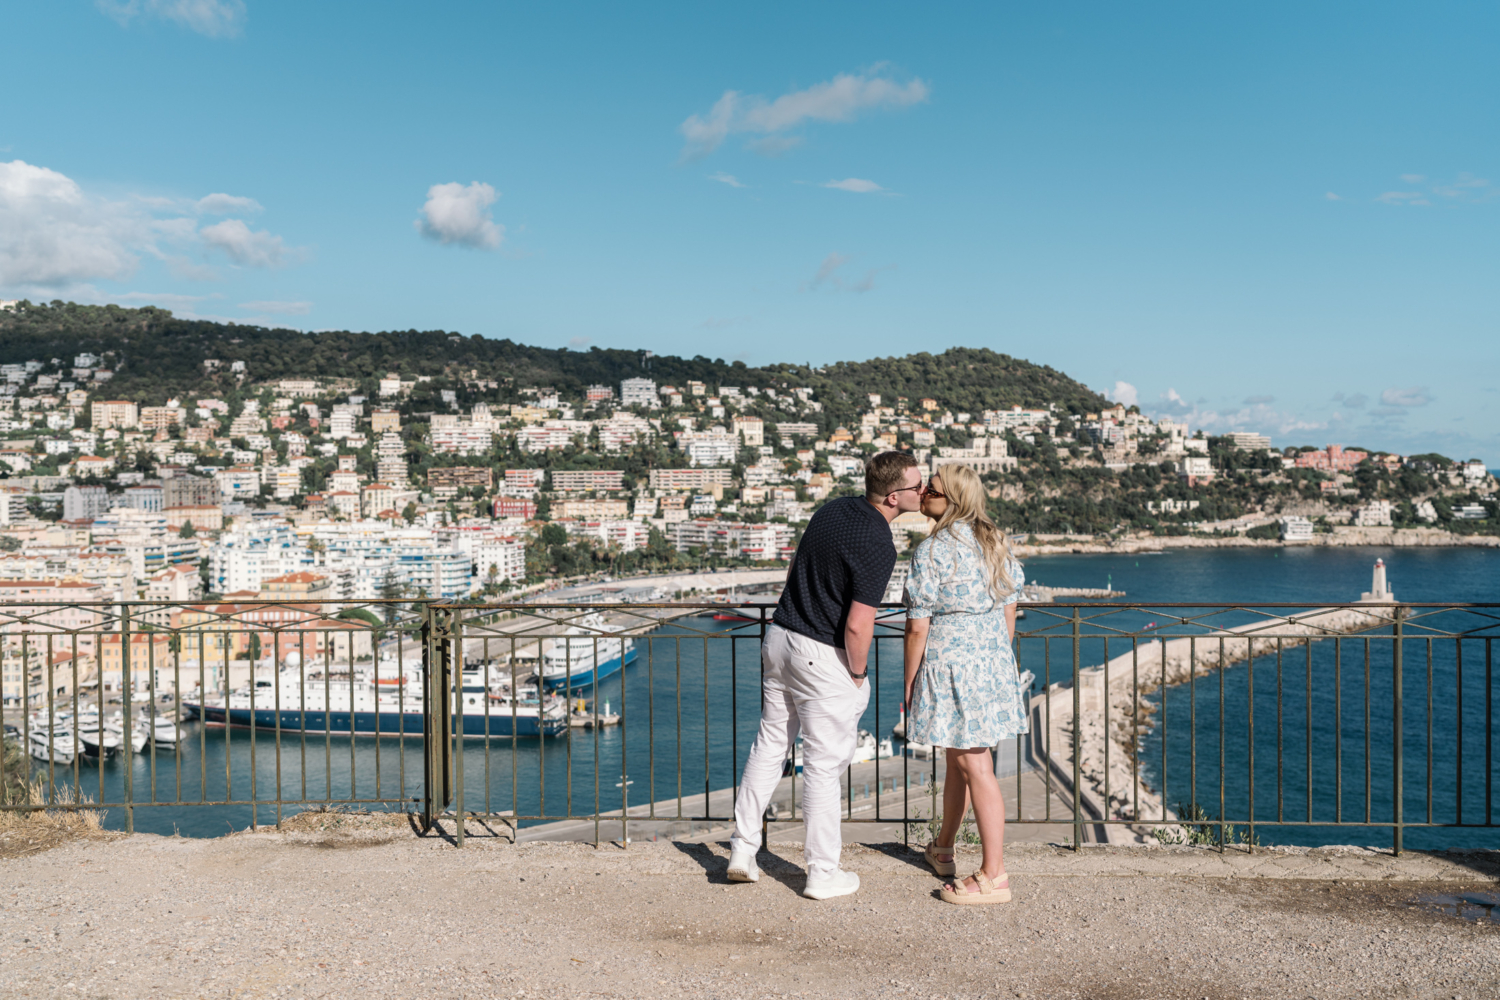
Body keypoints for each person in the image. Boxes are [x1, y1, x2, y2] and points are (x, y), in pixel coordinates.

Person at [726, 451, 924, 900]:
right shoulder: (879, 541)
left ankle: (742, 849)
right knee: (822, 766)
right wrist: (857, 674)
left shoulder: (831, 509)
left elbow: (795, 570)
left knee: (769, 745)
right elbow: (858, 624)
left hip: (780, 637)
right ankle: (822, 872)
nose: (923, 489)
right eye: (918, 485)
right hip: (820, 654)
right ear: (895, 497)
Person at [902, 464, 1027, 905]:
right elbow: (1009, 612)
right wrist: (993, 661)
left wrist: (910, 682)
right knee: (959, 759)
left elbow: (917, 628)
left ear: (949, 501)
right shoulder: (994, 542)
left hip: (952, 667)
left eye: (930, 490)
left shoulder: (932, 551)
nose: (921, 495)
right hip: (992, 665)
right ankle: (944, 848)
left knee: (977, 767)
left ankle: (995, 876)